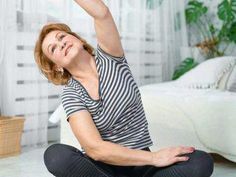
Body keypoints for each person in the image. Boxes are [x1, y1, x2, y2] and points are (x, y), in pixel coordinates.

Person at [34, 0, 214, 176]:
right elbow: (94, 149)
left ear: (78, 39)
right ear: (57, 66)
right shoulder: (71, 94)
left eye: (62, 37)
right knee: (56, 156)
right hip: (102, 169)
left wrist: (152, 158)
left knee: (200, 162)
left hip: (142, 163)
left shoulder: (110, 57)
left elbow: (102, 13)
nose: (61, 44)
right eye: (53, 48)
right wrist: (155, 157)